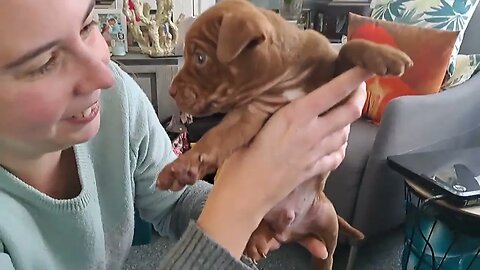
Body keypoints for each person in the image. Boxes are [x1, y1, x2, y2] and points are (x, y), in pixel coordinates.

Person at [0, 0, 369, 269]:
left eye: (87, 26)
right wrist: (239, 204)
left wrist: (256, 209)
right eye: (45, 63)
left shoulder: (118, 104)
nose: (106, 76)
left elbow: (174, 203)